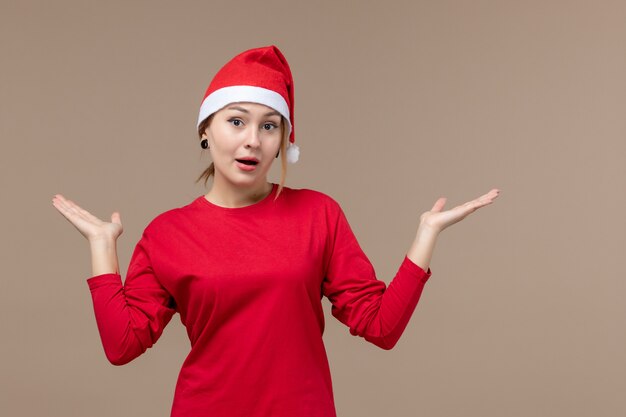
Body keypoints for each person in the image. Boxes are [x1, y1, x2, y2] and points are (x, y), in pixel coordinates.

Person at [52, 45, 500, 417]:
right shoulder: (168, 233)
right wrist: (101, 248)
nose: (252, 139)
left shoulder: (318, 214)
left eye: (269, 126)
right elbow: (123, 345)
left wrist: (425, 237)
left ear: (284, 140)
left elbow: (380, 326)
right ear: (205, 130)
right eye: (236, 121)